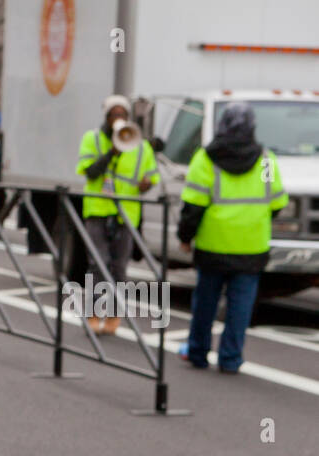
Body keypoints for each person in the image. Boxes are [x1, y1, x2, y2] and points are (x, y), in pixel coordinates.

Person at [177, 102, 287, 374]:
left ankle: (198, 352)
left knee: (205, 302)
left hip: (213, 244)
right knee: (240, 307)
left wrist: (185, 237)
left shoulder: (205, 158)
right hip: (251, 245)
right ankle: (230, 359)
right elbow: (277, 203)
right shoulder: (266, 159)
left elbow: (193, 207)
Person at [74, 94, 159, 334]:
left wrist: (146, 184)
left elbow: (151, 176)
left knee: (119, 267)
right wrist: (112, 152)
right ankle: (93, 312)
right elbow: (89, 172)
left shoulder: (140, 145)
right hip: (98, 210)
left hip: (126, 214)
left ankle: (113, 314)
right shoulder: (92, 139)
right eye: (115, 114)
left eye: (123, 115)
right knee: (97, 264)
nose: (119, 119)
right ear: (107, 117)